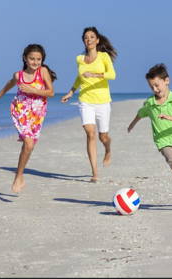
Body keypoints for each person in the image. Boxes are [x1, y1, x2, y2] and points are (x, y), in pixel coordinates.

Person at [127, 64, 172, 208]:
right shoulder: (150, 103)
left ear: (166, 81)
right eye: (151, 87)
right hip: (163, 141)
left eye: (157, 85)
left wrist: (170, 117)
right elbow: (141, 113)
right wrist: (132, 124)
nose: (155, 90)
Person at [0, 44, 56, 193]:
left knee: (30, 146)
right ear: (25, 59)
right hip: (21, 110)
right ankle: (18, 176)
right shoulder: (18, 75)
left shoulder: (43, 71)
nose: (35, 62)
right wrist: (0, 94)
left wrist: (32, 90)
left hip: (37, 113)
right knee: (28, 142)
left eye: (38, 59)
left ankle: (19, 175)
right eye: (32, 59)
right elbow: (10, 83)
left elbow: (51, 92)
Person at [61, 27, 117, 183]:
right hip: (85, 100)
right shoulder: (79, 59)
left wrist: (95, 75)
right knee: (90, 133)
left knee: (103, 136)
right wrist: (71, 92)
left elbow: (112, 75)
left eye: (92, 37)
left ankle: (107, 149)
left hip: (103, 101)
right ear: (84, 41)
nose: (89, 39)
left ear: (97, 40)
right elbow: (80, 78)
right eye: (86, 37)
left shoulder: (103, 56)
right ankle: (95, 172)